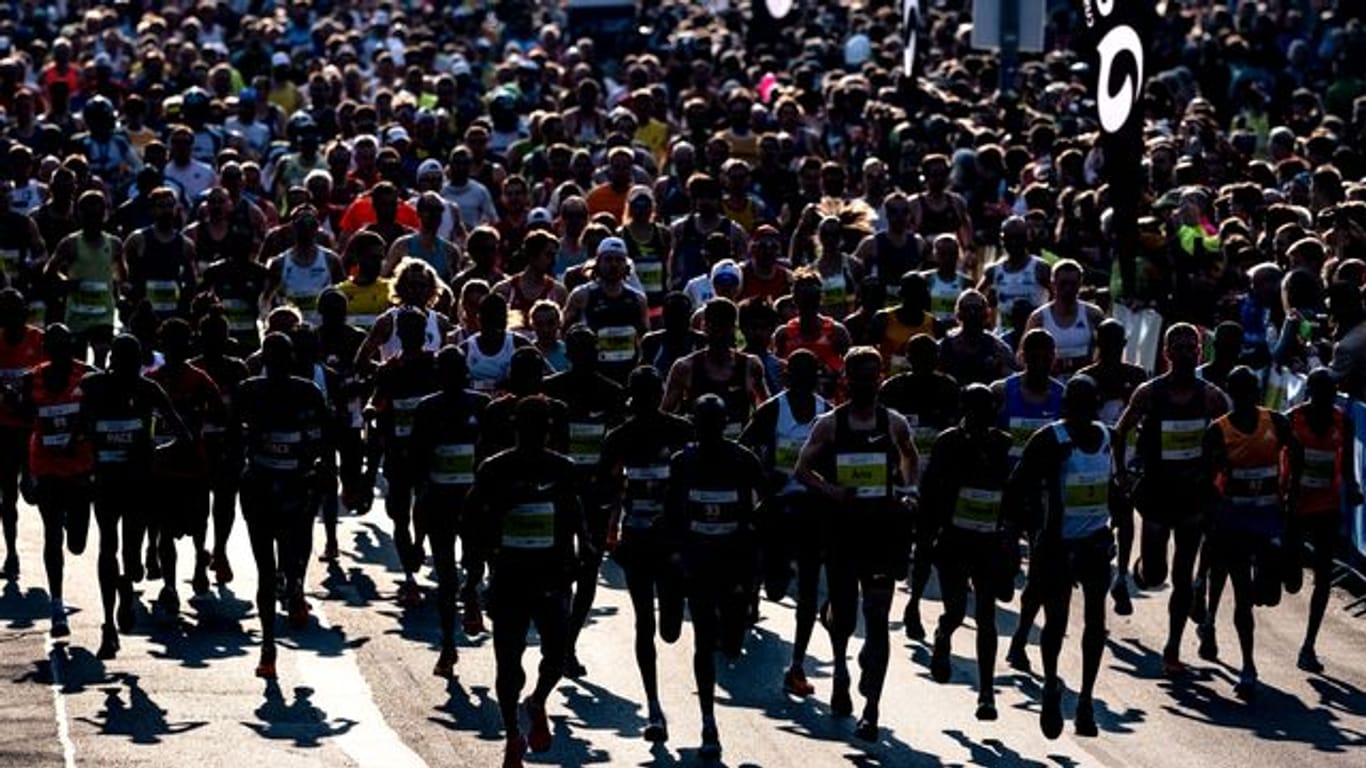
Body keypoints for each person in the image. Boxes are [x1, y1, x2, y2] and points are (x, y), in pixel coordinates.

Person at [796, 347, 919, 741]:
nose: (868, 383)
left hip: (881, 531)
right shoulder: (830, 424)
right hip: (843, 531)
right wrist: (831, 491)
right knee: (846, 618)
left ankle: (871, 711)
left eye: (873, 375)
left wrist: (910, 489)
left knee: (879, 617)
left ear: (881, 377)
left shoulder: (894, 422)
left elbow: (910, 457)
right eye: (860, 376)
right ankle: (840, 668)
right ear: (847, 379)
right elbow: (802, 469)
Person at [466, 395, 588, 768]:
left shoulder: (564, 468)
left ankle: (537, 701)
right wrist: (471, 580)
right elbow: (471, 522)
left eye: (542, 429)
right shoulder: (494, 469)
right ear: (516, 429)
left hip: (553, 578)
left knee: (555, 656)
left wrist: (587, 550)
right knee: (508, 664)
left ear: (549, 431)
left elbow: (575, 514)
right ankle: (511, 734)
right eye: (529, 428)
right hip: (509, 578)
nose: (537, 435)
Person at [1114, 323, 1229, 676]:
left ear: (1199, 353)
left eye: (1189, 348)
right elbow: (1120, 432)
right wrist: (1121, 474)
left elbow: (1228, 439)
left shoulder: (1211, 397)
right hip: (1156, 493)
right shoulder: (1149, 393)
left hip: (1192, 495)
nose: (1182, 354)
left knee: (1181, 574)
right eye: (1176, 348)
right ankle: (1140, 570)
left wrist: (1218, 478)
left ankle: (1173, 648)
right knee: (1154, 575)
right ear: (1166, 353)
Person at [1009, 374, 1115, 738]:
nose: (1082, 415)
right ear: (1065, 407)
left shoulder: (1106, 437)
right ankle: (1051, 683)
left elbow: (1113, 490)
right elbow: (1017, 487)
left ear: (1097, 407)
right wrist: (1029, 532)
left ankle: (1086, 699)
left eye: (1089, 407)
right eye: (1074, 407)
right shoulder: (1049, 439)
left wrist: (1118, 531)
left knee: (1095, 623)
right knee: (1055, 621)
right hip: (1057, 545)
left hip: (1095, 544)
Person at [666, 393, 765, 760]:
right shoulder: (682, 462)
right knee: (703, 639)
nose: (708, 432)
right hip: (698, 562)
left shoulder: (743, 459)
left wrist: (756, 540)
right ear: (695, 426)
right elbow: (671, 509)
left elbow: (765, 501)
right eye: (702, 425)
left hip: (736, 561)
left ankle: (734, 629)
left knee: (732, 644)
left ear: (725, 426)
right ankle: (708, 720)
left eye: (714, 425)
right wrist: (676, 555)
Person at [600, 365, 693, 742]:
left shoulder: (682, 431)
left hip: (672, 540)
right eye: (637, 399)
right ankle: (654, 708)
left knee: (670, 628)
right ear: (632, 399)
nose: (643, 404)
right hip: (636, 538)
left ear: (659, 397)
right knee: (643, 623)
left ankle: (672, 606)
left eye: (649, 397)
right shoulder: (620, 437)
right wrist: (608, 529)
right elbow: (606, 486)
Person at [81, 334, 187, 658]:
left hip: (116, 482)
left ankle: (115, 612)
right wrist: (156, 452)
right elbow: (183, 435)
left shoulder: (98, 387)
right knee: (123, 549)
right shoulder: (144, 388)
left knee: (112, 548)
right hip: (133, 481)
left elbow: (80, 432)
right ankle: (115, 613)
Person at [233, 332, 330, 679]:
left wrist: (320, 472)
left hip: (295, 486)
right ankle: (268, 645)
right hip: (260, 486)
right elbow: (232, 436)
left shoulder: (308, 392)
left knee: (290, 554)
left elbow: (326, 439)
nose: (275, 368)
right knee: (265, 569)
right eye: (271, 362)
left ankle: (295, 586)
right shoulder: (249, 391)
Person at [1203, 366, 1301, 699]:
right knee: (1242, 595)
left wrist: (1291, 494)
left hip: (1269, 519)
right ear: (1231, 393)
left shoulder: (1276, 422)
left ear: (1256, 393)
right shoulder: (1218, 431)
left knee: (1268, 596)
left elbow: (1297, 452)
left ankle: (1221, 625)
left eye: (1250, 392)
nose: (1245, 398)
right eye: (1239, 392)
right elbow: (1207, 478)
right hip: (1233, 521)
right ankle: (1248, 666)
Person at [738, 349, 829, 697]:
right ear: (788, 379)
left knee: (808, 588)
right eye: (797, 378)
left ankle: (797, 664)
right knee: (774, 583)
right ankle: (750, 594)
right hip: (776, 504)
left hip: (811, 509)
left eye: (811, 379)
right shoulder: (773, 409)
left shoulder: (826, 414)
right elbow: (744, 450)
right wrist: (764, 480)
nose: (804, 386)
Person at [921, 383, 1013, 720]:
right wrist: (926, 538)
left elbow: (1012, 494)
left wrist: (1009, 538)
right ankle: (943, 634)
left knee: (987, 617)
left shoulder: (1003, 445)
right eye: (974, 409)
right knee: (957, 611)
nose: (981, 416)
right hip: (954, 540)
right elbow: (930, 492)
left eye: (987, 409)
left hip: (988, 542)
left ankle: (986, 693)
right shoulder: (948, 443)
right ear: (964, 410)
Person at [544, 327, 626, 677]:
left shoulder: (613, 393)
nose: (583, 356)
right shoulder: (551, 390)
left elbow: (619, 451)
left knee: (589, 571)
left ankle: (569, 645)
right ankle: (559, 642)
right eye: (577, 350)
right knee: (560, 572)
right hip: (558, 494)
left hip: (597, 494)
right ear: (569, 352)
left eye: (589, 350)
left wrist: (616, 505)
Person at [409, 346, 490, 677]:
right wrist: (418, 534)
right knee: (446, 576)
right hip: (441, 500)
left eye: (457, 372)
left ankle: (469, 596)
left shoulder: (482, 406)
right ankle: (447, 644)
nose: (452, 378)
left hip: (472, 501)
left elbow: (491, 453)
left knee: (469, 568)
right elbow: (418, 464)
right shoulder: (427, 408)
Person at [879, 334, 961, 639]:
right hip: (899, 477)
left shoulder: (948, 388)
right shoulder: (893, 389)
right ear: (908, 360)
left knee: (926, 545)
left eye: (931, 357)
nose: (925, 363)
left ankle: (913, 605)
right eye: (919, 357)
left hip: (935, 479)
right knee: (897, 551)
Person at [1286, 368, 1361, 673]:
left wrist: (1353, 488)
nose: (1324, 402)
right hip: (1294, 505)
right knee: (1290, 581)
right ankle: (1287, 566)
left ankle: (1309, 646)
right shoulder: (1292, 418)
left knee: (1323, 576)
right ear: (1309, 393)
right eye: (1319, 395)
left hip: (1326, 506)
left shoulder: (1344, 420)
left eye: (1330, 396)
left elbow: (1345, 464)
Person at [998, 329, 1065, 671]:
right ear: (1022, 355)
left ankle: (1020, 640)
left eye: (1046, 353)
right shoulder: (1003, 392)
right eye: (1033, 353)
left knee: (1040, 577)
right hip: (1008, 494)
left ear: (1054, 357)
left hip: (1046, 499)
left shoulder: (1064, 397)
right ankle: (1004, 570)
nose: (1040, 360)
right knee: (1006, 567)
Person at [18, 324, 90, 636]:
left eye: (65, 348)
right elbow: (22, 426)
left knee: (76, 542)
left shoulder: (89, 377)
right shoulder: (30, 380)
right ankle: (57, 607)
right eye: (54, 348)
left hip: (79, 471)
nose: (60, 354)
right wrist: (25, 474)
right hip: (45, 468)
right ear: (47, 350)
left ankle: (70, 521)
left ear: (71, 349)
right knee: (52, 537)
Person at [147, 318, 225, 602]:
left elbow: (220, 412)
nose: (176, 350)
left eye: (181, 345)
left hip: (195, 464)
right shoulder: (152, 381)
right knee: (165, 531)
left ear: (188, 346)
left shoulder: (200, 379)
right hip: (162, 468)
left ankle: (199, 563)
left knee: (199, 526)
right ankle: (169, 586)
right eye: (170, 345)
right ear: (163, 346)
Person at [368, 309, 441, 607]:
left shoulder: (435, 366)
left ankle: (419, 542)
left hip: (428, 450)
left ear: (423, 332)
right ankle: (409, 577)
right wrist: (371, 413)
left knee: (423, 502)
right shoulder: (388, 369)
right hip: (397, 449)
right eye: (406, 329)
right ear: (399, 332)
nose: (410, 334)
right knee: (398, 512)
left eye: (416, 329)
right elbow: (377, 400)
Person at [1077, 319, 1148, 615]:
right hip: (1093, 458)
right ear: (1098, 344)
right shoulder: (1085, 377)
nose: (1111, 349)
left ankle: (1121, 576)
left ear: (1123, 345)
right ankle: (1099, 563)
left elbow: (1147, 420)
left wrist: (1139, 460)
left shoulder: (1137, 375)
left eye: (1116, 343)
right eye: (1105, 343)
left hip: (1127, 457)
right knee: (1097, 518)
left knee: (1125, 515)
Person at [190, 312, 251, 585]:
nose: (214, 343)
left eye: (219, 338)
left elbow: (247, 409)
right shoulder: (191, 370)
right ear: (200, 339)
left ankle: (221, 550)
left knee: (225, 503)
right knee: (199, 505)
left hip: (230, 446)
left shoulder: (238, 369)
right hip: (199, 448)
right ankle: (198, 556)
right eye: (209, 338)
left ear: (227, 339)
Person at [662, 298, 769, 438]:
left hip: (737, 450)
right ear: (704, 326)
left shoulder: (751, 365)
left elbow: (766, 412)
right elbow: (665, 415)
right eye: (714, 325)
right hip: (699, 448)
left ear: (733, 328)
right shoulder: (684, 367)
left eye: (723, 326)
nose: (718, 332)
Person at [46, 190, 124, 367]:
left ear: (104, 214)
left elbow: (122, 275)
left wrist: (115, 288)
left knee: (100, 359)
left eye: (97, 214)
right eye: (88, 215)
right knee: (78, 364)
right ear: (79, 214)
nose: (93, 220)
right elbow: (49, 272)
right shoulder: (70, 243)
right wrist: (66, 282)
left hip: (103, 316)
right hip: (77, 316)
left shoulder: (114, 244)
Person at [562, 237, 650, 383]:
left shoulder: (638, 299)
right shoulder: (582, 295)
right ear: (597, 263)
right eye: (608, 259)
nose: (614, 265)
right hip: (594, 376)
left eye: (619, 260)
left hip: (627, 373)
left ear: (627, 265)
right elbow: (565, 332)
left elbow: (645, 339)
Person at [0, 289, 43, 581]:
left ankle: (59, 510)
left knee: (32, 493)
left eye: (17, 314)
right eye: (6, 315)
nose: (13, 321)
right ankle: (12, 553)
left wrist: (28, 399)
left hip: (33, 428)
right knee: (7, 497)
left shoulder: (38, 340)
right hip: (3, 430)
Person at [773, 269, 852, 401]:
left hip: (831, 401)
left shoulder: (836, 332)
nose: (808, 303)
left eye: (812, 297)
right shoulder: (784, 334)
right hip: (794, 401)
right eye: (804, 298)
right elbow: (776, 373)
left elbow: (850, 370)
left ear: (820, 299)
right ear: (795, 299)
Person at [121, 187, 198, 321]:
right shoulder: (137, 239)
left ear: (176, 209)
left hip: (173, 314)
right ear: (151, 209)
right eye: (161, 206)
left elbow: (192, 281)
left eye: (170, 205)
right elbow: (121, 271)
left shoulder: (186, 245)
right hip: (142, 314)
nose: (166, 210)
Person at [262, 206, 345, 326]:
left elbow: (343, 295)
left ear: (317, 228)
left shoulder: (331, 260)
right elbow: (266, 298)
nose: (306, 229)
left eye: (310, 225)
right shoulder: (279, 263)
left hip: (321, 328)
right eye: (302, 225)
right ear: (293, 228)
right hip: (290, 329)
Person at [1024, 260, 1105, 377]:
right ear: (1053, 284)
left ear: (1080, 285)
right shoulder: (1038, 317)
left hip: (1084, 383)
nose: (1068, 289)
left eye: (1073, 284)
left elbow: (1109, 351)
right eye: (1063, 283)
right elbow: (1021, 357)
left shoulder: (1093, 314)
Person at [978, 216, 1051, 335]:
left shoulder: (1040, 268)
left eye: (1019, 238)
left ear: (1027, 238)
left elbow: (1058, 297)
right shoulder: (994, 270)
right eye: (1009, 238)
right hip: (1003, 335)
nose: (1014, 243)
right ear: (1002, 240)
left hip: (1035, 336)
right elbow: (975, 297)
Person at [869, 271, 938, 375]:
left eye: (921, 291)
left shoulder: (935, 324)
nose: (916, 296)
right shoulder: (883, 319)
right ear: (902, 293)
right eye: (912, 292)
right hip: (888, 382)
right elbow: (869, 351)